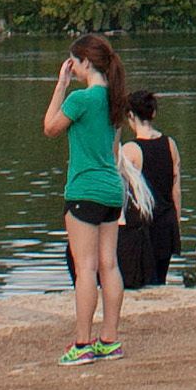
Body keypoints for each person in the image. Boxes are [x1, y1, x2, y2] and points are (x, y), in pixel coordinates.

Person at [43, 35, 129, 365]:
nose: (73, 69)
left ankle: (82, 344)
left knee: (86, 269)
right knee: (109, 265)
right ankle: (109, 340)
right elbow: (112, 149)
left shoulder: (82, 99)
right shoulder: (115, 100)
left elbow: (49, 128)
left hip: (83, 189)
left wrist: (60, 86)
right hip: (111, 189)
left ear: (86, 63)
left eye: (74, 64)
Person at [116, 91, 182, 290]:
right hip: (167, 222)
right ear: (153, 114)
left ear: (131, 116)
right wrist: (176, 222)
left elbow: (120, 193)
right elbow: (176, 189)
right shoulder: (170, 144)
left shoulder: (130, 150)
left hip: (144, 227)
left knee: (144, 281)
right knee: (160, 280)